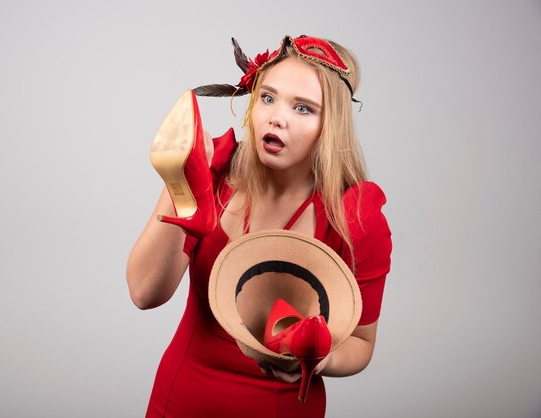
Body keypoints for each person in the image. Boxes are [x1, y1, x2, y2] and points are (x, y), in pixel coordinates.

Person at [126, 35, 392, 418]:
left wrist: (319, 362)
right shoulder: (216, 174)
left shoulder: (356, 219)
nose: (276, 116)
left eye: (303, 108)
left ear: (330, 126)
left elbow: (362, 343)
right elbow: (144, 293)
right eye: (267, 97)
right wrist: (180, 181)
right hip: (181, 399)